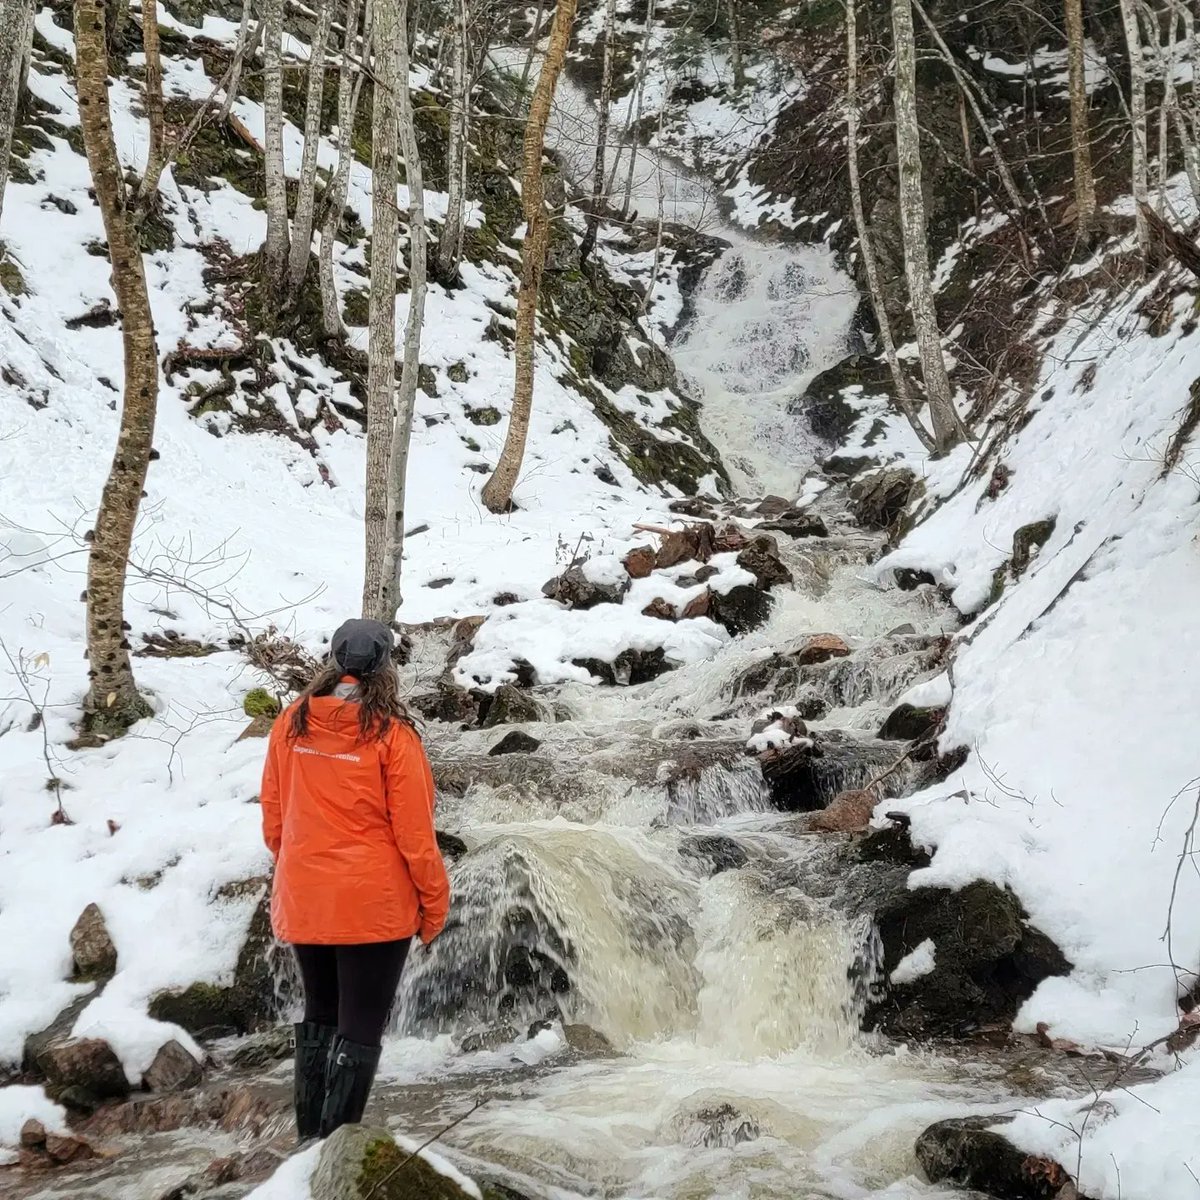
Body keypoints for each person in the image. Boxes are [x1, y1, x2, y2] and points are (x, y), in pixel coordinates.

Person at [259, 618, 451, 1140]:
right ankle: (336, 1151)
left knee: (319, 1011)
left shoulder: (291, 723)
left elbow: (274, 818)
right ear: (387, 669)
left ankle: (308, 1144)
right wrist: (434, 905)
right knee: (360, 1025)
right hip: (374, 904)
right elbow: (415, 835)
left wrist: (302, 870)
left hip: (306, 896)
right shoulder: (392, 735)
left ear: (333, 662)